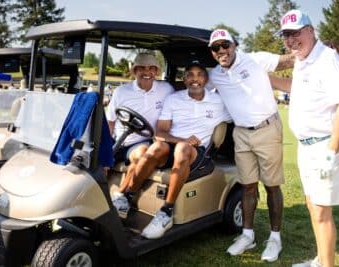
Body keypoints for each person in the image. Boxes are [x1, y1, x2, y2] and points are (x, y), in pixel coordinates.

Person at [271, 10, 339, 267]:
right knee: (312, 206)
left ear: (310, 30)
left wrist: (331, 152)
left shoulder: (328, 59)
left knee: (320, 212)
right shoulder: (303, 60)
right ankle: (320, 260)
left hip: (324, 146)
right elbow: (295, 86)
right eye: (286, 35)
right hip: (308, 147)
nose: (291, 40)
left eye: (296, 33)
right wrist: (264, 78)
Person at [207, 28, 294, 262]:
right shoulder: (215, 75)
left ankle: (275, 238)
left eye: (226, 45)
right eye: (216, 48)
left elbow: (289, 59)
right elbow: (196, 90)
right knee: (247, 186)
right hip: (242, 133)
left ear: (234, 46)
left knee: (272, 186)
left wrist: (320, 51)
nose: (221, 51)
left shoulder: (255, 59)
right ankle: (248, 235)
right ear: (213, 52)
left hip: (267, 128)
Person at [122, 60, 231, 239]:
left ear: (206, 79)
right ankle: (127, 196)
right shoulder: (174, 99)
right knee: (157, 146)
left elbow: (241, 113)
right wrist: (182, 139)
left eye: (200, 75)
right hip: (174, 145)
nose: (195, 79)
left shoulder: (219, 102)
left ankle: (166, 212)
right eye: (190, 75)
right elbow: (160, 132)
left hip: (198, 152)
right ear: (184, 79)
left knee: (182, 149)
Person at [108, 53, 174, 211]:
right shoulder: (121, 92)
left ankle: (121, 194)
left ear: (156, 71)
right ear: (134, 71)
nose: (147, 72)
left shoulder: (166, 89)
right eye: (142, 68)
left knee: (142, 153)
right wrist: (105, 149)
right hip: (119, 139)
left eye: (151, 68)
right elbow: (110, 121)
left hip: (141, 141)